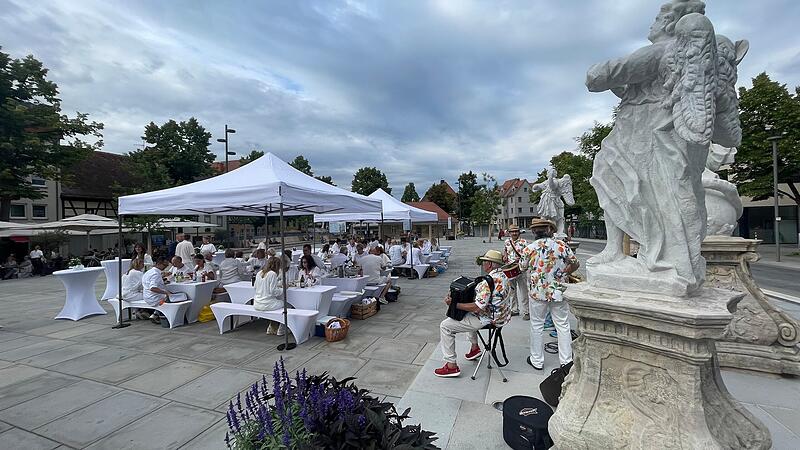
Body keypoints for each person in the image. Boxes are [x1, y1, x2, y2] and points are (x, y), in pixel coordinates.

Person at [435, 249, 510, 378]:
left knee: (445, 326)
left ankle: (451, 365)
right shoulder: (504, 276)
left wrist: (454, 304)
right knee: (466, 315)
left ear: (490, 264)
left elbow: (477, 308)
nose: (482, 265)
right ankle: (474, 347)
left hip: (489, 318)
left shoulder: (487, 282)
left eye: (484, 262)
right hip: (502, 316)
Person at [522, 218, 580, 370]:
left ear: (534, 231)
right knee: (562, 325)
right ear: (549, 230)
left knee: (537, 325)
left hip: (537, 292)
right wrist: (564, 272)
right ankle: (566, 361)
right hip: (557, 291)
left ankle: (537, 360)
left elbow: (522, 267)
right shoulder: (561, 246)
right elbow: (575, 263)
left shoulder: (530, 248)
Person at [142, 257, 188, 324]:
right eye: (165, 265)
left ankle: (156, 313)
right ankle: (171, 317)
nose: (166, 267)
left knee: (172, 295)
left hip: (146, 296)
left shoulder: (149, 272)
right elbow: (153, 288)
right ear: (159, 264)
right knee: (180, 297)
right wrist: (166, 292)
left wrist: (162, 283)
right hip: (155, 298)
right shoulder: (156, 274)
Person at [502, 224, 530, 320]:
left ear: (519, 232)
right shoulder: (507, 242)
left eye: (516, 231)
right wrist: (504, 256)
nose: (514, 233)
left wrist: (521, 259)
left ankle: (526, 311)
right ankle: (514, 309)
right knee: (512, 291)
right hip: (510, 269)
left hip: (521, 269)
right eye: (512, 232)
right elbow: (505, 251)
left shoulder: (524, 242)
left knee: (523, 291)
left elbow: (528, 255)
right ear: (509, 233)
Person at [253, 256, 287, 335]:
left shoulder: (260, 273)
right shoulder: (273, 274)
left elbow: (255, 287)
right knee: (285, 305)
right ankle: (281, 328)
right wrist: (283, 289)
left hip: (257, 303)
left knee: (278, 305)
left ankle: (272, 327)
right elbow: (273, 292)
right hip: (266, 304)